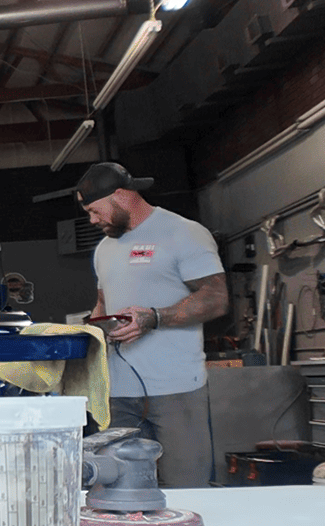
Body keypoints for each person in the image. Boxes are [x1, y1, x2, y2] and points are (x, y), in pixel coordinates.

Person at [76, 161, 228, 487]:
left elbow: (216, 298)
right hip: (118, 393)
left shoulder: (183, 232)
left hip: (175, 390)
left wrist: (155, 317)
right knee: (115, 490)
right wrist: (93, 327)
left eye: (95, 210)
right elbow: (104, 303)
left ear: (120, 195)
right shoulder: (104, 248)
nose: (92, 219)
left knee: (188, 489)